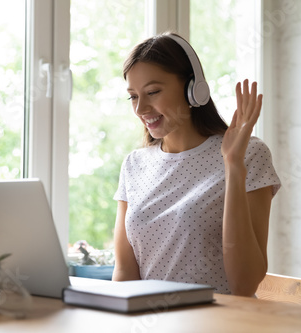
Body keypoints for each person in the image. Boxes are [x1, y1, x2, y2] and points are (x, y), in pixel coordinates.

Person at [112, 32, 281, 296]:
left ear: (194, 89)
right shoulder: (134, 165)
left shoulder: (249, 154)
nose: (141, 109)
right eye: (133, 96)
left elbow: (245, 284)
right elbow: (124, 274)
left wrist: (233, 165)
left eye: (153, 92)